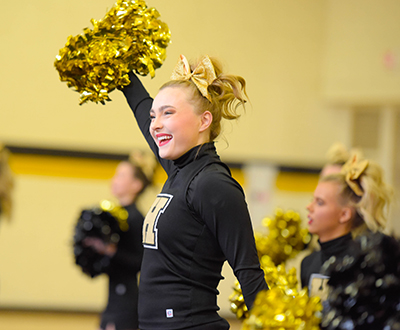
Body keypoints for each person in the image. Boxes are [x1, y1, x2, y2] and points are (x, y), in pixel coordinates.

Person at [122, 54, 268, 329]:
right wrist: (121, 69)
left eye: (168, 113)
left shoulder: (212, 184)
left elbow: (248, 272)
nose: (155, 124)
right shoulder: (179, 170)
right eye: (155, 115)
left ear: (204, 122)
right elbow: (142, 113)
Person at [300, 154, 392, 302]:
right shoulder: (308, 263)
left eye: (320, 202)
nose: (309, 207)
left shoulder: (366, 265)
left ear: (344, 214)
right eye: (312, 200)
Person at [84, 153, 154, 330]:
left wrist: (109, 251)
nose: (114, 180)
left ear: (136, 185)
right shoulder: (114, 217)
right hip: (114, 297)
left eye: (121, 176)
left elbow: (141, 262)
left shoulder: (136, 218)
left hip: (125, 300)